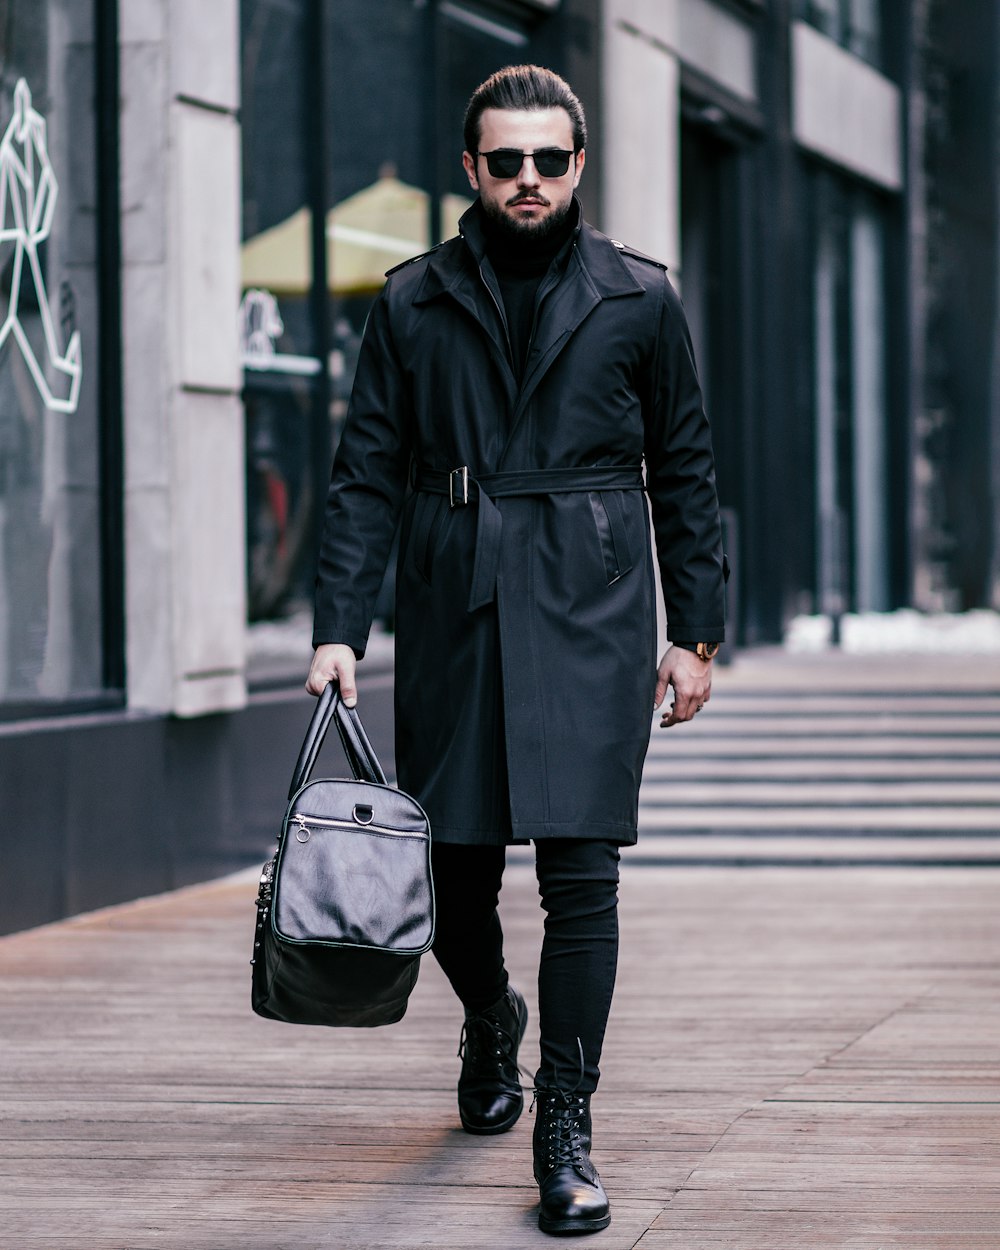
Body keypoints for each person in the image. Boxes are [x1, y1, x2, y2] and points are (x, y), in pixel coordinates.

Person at [306, 64, 726, 1237]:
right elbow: (360, 477)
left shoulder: (639, 299)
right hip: (457, 600)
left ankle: (566, 1119)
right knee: (448, 870)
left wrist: (694, 632)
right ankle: (490, 1014)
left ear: (579, 165)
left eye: (549, 160)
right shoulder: (411, 302)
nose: (528, 179)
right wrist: (339, 626)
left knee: (581, 875)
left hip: (593, 601)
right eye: (506, 161)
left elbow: (686, 470)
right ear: (471, 169)